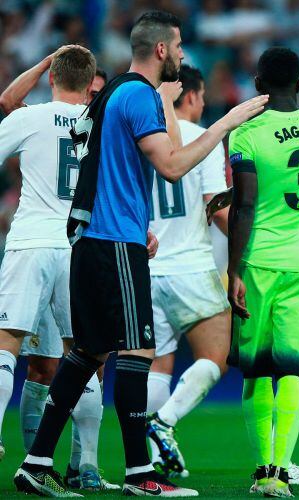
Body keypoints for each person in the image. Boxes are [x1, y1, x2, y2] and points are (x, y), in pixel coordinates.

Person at [14, 11, 267, 497]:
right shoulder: (139, 94)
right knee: (138, 351)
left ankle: (36, 462)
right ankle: (139, 475)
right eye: (179, 47)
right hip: (115, 243)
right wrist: (227, 124)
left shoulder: (111, 94)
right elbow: (172, 167)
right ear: (160, 50)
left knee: (87, 351)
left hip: (94, 240)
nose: (183, 56)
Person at [0, 56, 115, 490]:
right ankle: (86, 464)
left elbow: (6, 103)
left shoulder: (30, 117)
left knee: (7, 342)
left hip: (29, 241)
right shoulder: (100, 122)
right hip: (78, 246)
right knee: (83, 353)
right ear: (91, 84)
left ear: (51, 77)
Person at [227, 47, 299, 497]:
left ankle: (262, 470)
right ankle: (283, 474)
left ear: (257, 84)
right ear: (297, 83)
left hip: (259, 264)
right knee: (294, 371)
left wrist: (233, 269)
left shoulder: (246, 133)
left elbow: (247, 203)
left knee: (256, 372)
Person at [144, 64, 231, 479]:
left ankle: (153, 458)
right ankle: (164, 421)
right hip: (192, 265)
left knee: (159, 363)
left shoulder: (141, 138)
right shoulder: (203, 138)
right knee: (217, 356)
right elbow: (217, 208)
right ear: (192, 96)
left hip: (146, 267)